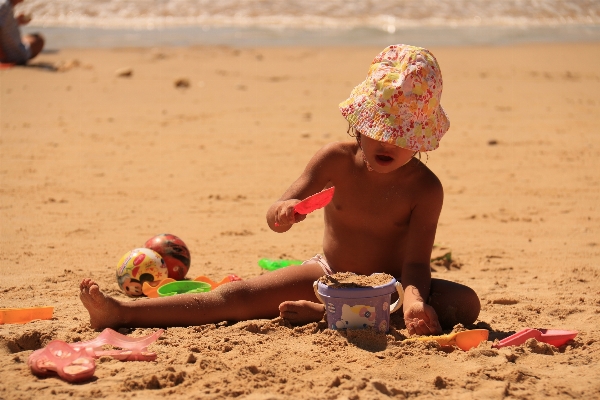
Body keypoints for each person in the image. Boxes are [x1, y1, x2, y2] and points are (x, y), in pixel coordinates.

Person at [80, 44, 480, 336]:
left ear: (422, 138)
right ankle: (122, 313)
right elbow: (278, 211)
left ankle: (328, 315)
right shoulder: (335, 160)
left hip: (385, 288)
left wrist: (412, 302)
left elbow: (414, 267)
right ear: (359, 121)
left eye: (402, 134)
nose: (387, 142)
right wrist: (286, 211)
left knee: (467, 304)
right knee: (235, 297)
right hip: (328, 274)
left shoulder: (425, 190)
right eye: (379, 129)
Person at [0, 0, 44, 65]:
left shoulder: (5, 4)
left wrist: (16, 21)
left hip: (7, 51)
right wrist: (2, 57)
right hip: (13, 55)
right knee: (39, 40)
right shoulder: (4, 5)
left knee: (31, 38)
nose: (22, 1)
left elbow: (4, 24)